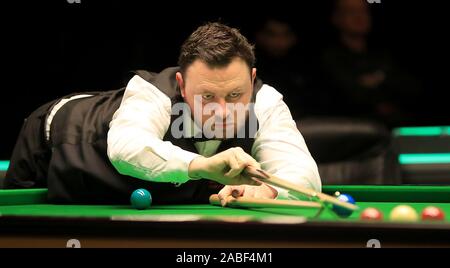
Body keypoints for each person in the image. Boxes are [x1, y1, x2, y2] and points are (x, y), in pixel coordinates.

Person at [4, 22, 321, 205]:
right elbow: (126, 146)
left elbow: (302, 174)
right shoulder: (152, 91)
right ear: (182, 85)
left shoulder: (264, 102)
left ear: (251, 80)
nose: (223, 110)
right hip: (56, 141)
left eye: (235, 95)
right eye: (207, 96)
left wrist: (265, 190)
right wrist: (201, 166)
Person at [319, 0, 420, 126]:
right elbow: (348, 97)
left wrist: (377, 81)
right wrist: (381, 83)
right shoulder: (328, 58)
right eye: (351, 12)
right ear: (336, 17)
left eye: (363, 11)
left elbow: (411, 89)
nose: (359, 16)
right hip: (352, 130)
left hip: (396, 127)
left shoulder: (384, 53)